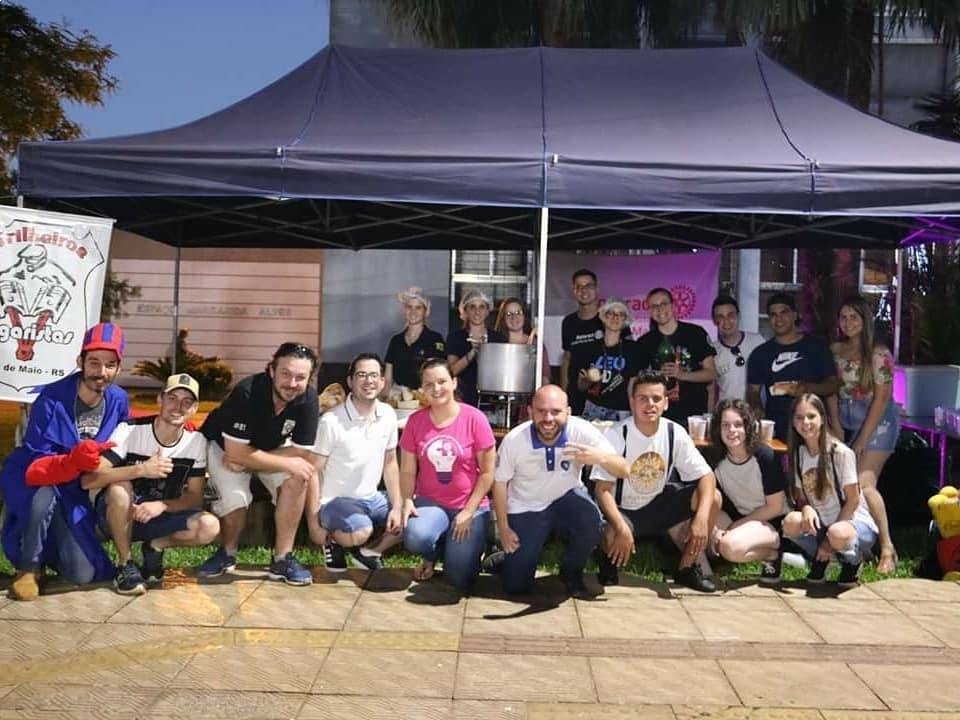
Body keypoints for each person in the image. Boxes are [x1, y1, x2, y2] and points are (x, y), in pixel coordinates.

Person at [0, 322, 129, 601]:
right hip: (33, 477)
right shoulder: (51, 398)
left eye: (110, 364)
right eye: (94, 362)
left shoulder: (119, 400)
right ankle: (29, 567)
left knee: (83, 573)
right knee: (44, 495)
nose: (102, 372)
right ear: (80, 362)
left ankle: (50, 553)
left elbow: (126, 436)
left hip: (73, 489)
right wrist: (73, 460)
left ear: (119, 368)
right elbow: (38, 465)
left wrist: (167, 428)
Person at [82, 374, 219, 595]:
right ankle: (125, 564)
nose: (178, 407)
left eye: (187, 402)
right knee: (119, 488)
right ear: (160, 399)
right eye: (172, 398)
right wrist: (141, 470)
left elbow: (194, 496)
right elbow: (89, 479)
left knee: (209, 526)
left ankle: (155, 546)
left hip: (157, 516)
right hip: (117, 515)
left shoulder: (196, 441)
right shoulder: (131, 429)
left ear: (194, 409)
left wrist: (162, 505)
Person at [198, 342, 320, 585]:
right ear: (271, 370)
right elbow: (234, 451)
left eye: (300, 377)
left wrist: (250, 462)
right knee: (236, 500)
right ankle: (227, 552)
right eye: (285, 373)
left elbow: (300, 450)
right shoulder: (247, 392)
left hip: (258, 452)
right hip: (224, 448)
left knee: (298, 476)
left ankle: (283, 558)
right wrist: (245, 458)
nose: (292, 383)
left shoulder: (308, 399)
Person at [488, 385, 624, 598]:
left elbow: (624, 469)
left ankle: (571, 571)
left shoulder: (581, 430)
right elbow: (499, 484)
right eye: (541, 411)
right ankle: (506, 560)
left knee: (591, 520)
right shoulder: (515, 440)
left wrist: (601, 458)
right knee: (516, 587)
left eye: (556, 412)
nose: (548, 418)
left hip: (566, 498)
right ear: (530, 412)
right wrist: (504, 529)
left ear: (568, 412)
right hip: (526, 506)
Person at [591, 370, 722, 593]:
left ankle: (687, 568)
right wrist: (621, 527)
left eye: (656, 398)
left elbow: (707, 476)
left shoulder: (674, 432)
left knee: (713, 499)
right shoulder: (617, 434)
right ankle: (609, 559)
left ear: (666, 403)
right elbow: (601, 490)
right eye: (643, 398)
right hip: (625, 510)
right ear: (632, 402)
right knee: (612, 534)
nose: (650, 404)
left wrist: (701, 519)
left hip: (659, 503)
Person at [399, 358, 496, 591]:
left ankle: (474, 548)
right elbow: (407, 470)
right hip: (431, 503)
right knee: (415, 536)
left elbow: (487, 473)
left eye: (442, 381)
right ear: (422, 389)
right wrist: (406, 500)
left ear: (454, 382)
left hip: (470, 505)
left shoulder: (475, 418)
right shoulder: (415, 421)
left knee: (458, 579)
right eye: (429, 384)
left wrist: (469, 511)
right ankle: (434, 552)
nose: (436, 389)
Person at [307, 353, 403, 572]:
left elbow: (390, 464)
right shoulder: (331, 421)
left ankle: (369, 552)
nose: (369, 381)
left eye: (374, 375)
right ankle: (333, 540)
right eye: (361, 375)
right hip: (335, 502)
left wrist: (398, 507)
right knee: (360, 531)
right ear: (350, 381)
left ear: (382, 382)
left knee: (413, 516)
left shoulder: (388, 415)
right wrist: (314, 525)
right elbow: (312, 472)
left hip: (373, 499)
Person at [827, 295, 900, 573]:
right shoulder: (835, 350)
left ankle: (887, 548)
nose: (848, 323)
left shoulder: (879, 354)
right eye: (843, 317)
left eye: (854, 317)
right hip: (845, 420)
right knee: (845, 483)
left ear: (865, 320)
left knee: (864, 483)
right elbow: (831, 390)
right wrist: (835, 424)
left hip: (878, 421)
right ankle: (860, 543)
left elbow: (882, 399)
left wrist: (862, 438)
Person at [782, 394, 879, 587]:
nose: (805, 423)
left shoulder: (841, 453)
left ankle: (853, 560)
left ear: (822, 419)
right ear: (793, 422)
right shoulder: (799, 454)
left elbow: (853, 501)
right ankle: (823, 559)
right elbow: (801, 497)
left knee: (837, 533)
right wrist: (806, 508)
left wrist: (828, 540)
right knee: (791, 522)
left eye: (811, 416)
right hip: (824, 524)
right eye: (799, 418)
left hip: (853, 523)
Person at [710, 399, 787, 585]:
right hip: (739, 515)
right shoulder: (715, 458)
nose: (732, 430)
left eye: (738, 425)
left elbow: (775, 507)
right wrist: (713, 530)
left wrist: (735, 526)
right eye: (725, 425)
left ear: (748, 427)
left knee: (729, 547)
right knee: (704, 535)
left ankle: (773, 553)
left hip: (770, 521)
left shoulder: (764, 456)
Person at [747, 293, 840, 442]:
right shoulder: (760, 354)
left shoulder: (816, 347)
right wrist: (757, 407)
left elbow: (833, 384)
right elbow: (753, 390)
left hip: (813, 427)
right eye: (773, 315)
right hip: (777, 429)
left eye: (783, 312)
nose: (778, 319)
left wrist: (806, 388)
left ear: (795, 315)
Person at [637, 287, 717, 423]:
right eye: (654, 306)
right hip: (659, 416)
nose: (660, 309)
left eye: (664, 304)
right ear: (649, 311)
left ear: (673, 306)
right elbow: (640, 381)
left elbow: (711, 373)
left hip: (693, 414)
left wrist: (682, 375)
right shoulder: (644, 342)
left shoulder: (695, 333)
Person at [560, 269, 629, 414]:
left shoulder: (610, 319)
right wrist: (563, 394)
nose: (583, 290)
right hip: (576, 398)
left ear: (596, 288)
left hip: (607, 401)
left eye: (588, 286)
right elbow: (567, 358)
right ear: (573, 290)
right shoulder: (568, 322)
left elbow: (629, 354)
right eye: (579, 286)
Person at [569, 298, 645, 421]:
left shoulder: (634, 350)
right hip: (593, 409)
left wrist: (636, 417)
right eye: (611, 313)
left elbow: (632, 388)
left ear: (625, 320)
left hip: (621, 412)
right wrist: (587, 380)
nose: (615, 317)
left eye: (621, 314)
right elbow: (580, 387)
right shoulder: (587, 349)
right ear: (603, 316)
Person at [445, 289, 506, 407]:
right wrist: (473, 352)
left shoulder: (499, 339)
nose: (477, 311)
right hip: (462, 400)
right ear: (465, 311)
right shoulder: (455, 337)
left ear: (488, 311)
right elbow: (452, 371)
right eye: (472, 307)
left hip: (492, 403)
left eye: (482, 307)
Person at [383, 287, 446, 397]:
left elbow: (437, 374)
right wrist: (383, 399)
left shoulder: (434, 339)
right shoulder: (396, 341)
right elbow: (388, 379)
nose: (413, 312)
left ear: (426, 311)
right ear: (404, 310)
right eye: (409, 307)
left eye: (418, 308)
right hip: (398, 397)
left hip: (425, 396)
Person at [708, 295, 765, 409]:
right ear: (714, 321)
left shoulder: (757, 341)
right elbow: (712, 389)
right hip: (726, 413)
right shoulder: (712, 350)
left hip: (756, 412)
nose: (726, 321)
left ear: (738, 316)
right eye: (720, 317)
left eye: (731, 315)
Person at [493, 297, 551, 387]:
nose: (514, 317)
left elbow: (545, 376)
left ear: (524, 316)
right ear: (503, 319)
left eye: (518, 313)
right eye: (509, 314)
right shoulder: (497, 344)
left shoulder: (536, 343)